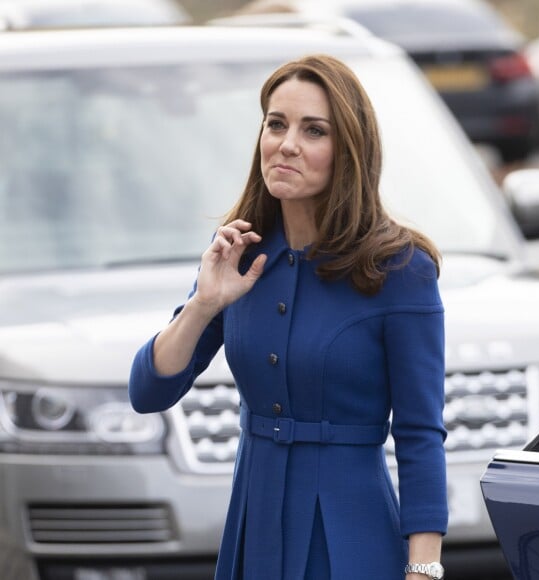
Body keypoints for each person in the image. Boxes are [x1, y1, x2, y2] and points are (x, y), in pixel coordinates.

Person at [129, 54, 448, 580]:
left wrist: (424, 568)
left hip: (351, 530)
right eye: (276, 124)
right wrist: (204, 303)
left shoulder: (400, 269)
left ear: (347, 151)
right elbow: (148, 392)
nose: (287, 144)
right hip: (253, 523)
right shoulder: (238, 252)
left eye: (313, 130)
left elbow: (420, 434)